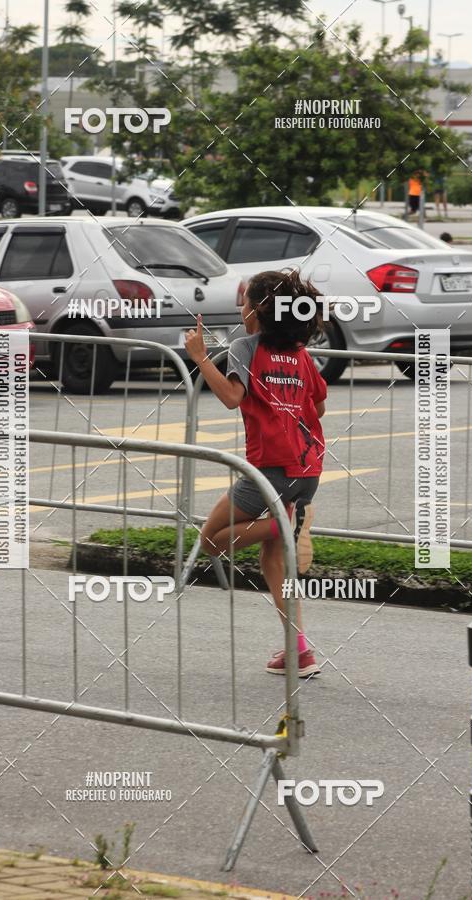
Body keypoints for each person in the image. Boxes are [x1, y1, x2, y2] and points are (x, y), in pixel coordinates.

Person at [184, 270, 327, 678]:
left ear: (259, 311)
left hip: (270, 469)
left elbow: (232, 397)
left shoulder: (245, 346)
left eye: (244, 301)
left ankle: (285, 524)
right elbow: (317, 408)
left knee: (212, 541)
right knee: (274, 566)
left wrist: (199, 356)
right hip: (308, 468)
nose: (240, 308)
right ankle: (299, 651)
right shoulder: (300, 353)